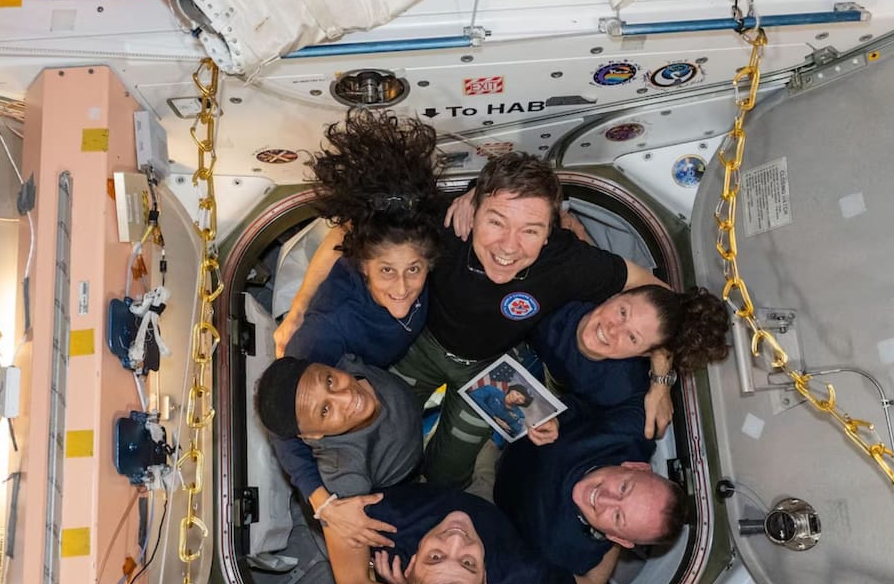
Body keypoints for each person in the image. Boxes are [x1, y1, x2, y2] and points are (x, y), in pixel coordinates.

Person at [277, 151, 670, 488]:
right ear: (474, 209)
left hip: (491, 366)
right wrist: (298, 308)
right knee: (382, 439)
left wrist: (660, 381)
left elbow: (663, 299)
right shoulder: (446, 227)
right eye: (496, 221)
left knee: (449, 473)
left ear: (550, 233)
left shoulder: (568, 263)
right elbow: (351, 230)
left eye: (530, 230)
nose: (509, 247)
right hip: (419, 347)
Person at [269, 111, 445, 547]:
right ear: (361, 265)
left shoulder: (415, 238)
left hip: (398, 362)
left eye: (413, 271)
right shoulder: (327, 330)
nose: (401, 287)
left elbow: (348, 233)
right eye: (385, 271)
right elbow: (283, 423)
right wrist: (321, 501)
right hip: (379, 369)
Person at [321, 483, 620, 584]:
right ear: (487, 583)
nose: (455, 538)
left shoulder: (378, 520)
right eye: (468, 562)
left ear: (410, 569)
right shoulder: (522, 579)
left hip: (426, 486)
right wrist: (619, 528)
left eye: (435, 557)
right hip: (492, 498)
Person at [495, 396, 686, 577]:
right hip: (514, 419)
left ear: (618, 539)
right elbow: (590, 396)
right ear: (636, 466)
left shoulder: (562, 555)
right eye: (623, 488)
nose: (603, 498)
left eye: (617, 517)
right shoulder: (631, 431)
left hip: (490, 490)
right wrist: (555, 417)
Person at [255, 355, 422, 548]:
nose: (347, 397)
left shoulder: (345, 361)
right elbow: (350, 576)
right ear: (312, 435)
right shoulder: (344, 472)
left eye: (329, 381)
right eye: (325, 410)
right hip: (407, 477)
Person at [531, 285, 731, 428]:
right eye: (623, 312)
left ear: (644, 354)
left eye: (632, 337)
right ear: (615, 294)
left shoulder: (618, 388)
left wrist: (557, 421)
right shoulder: (570, 289)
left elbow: (582, 410)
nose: (612, 330)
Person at [467, 383, 532, 438]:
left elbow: (515, 431)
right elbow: (474, 397)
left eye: (522, 399)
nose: (517, 398)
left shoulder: (519, 414)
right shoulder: (491, 390)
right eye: (517, 393)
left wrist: (505, 427)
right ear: (511, 390)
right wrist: (494, 417)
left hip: (488, 436)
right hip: (471, 419)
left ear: (524, 403)